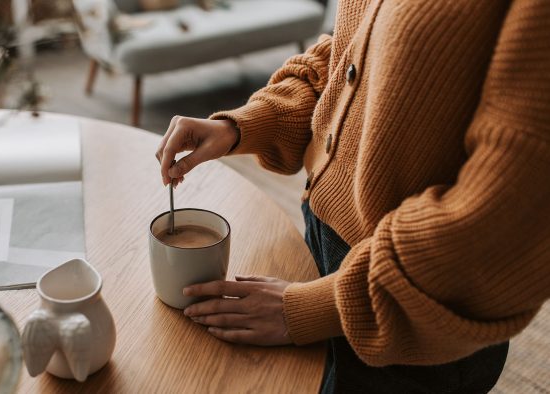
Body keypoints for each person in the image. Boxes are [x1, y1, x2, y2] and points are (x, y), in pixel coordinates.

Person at [155, 0, 550, 392]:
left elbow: (507, 219)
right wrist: (247, 124)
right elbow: (352, 48)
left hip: (411, 310)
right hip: (322, 243)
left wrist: (320, 308)